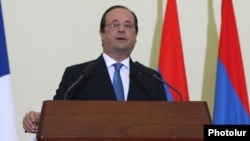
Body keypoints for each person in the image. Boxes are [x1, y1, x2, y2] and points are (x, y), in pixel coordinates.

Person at [23, 5, 167, 133]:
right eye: (114, 25)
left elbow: (165, 123)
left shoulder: (151, 78)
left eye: (128, 25)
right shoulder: (77, 75)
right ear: (101, 34)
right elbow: (57, 117)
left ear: (135, 35)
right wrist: (39, 120)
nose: (122, 29)